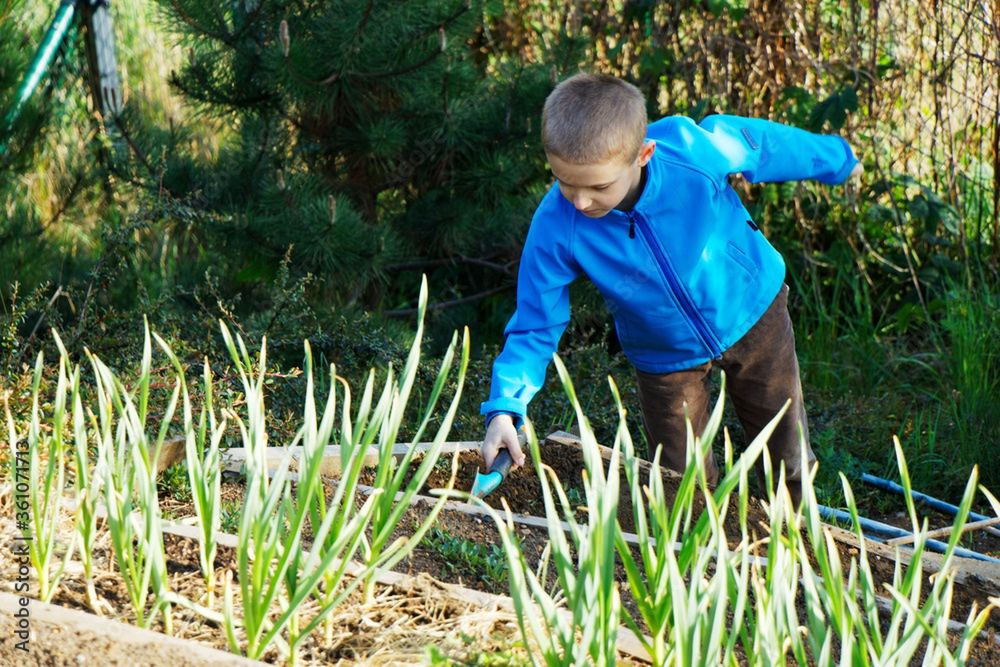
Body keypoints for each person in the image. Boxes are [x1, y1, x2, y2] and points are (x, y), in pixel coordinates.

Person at [479, 72, 863, 505]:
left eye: (598, 186)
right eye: (565, 183)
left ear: (643, 155)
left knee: (785, 452)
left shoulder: (691, 151)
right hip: (663, 354)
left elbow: (768, 146)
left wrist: (840, 159)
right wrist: (506, 409)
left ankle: (795, 541)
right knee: (680, 479)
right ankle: (698, 558)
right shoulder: (555, 224)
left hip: (752, 314)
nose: (581, 202)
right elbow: (535, 325)